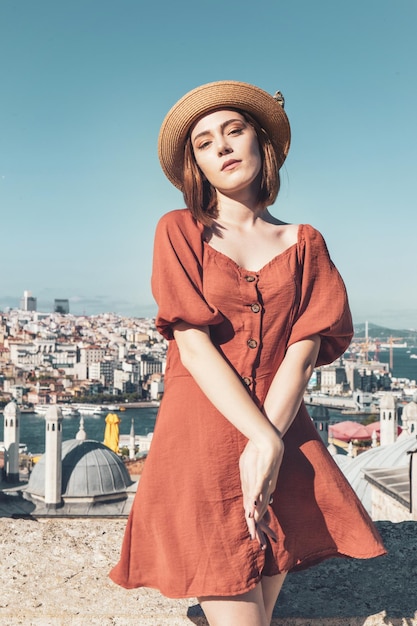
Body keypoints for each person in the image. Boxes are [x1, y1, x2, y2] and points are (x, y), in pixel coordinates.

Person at [110, 80, 386, 626]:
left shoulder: (305, 242)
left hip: (285, 438)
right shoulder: (179, 230)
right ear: (198, 166)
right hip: (203, 443)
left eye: (234, 131)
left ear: (263, 144)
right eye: (205, 143)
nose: (223, 147)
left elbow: (304, 351)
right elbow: (191, 342)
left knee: (253, 606)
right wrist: (261, 440)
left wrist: (271, 442)